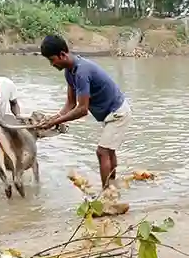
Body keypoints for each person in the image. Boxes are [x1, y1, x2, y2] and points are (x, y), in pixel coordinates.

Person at [34, 34, 132, 190]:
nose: (52, 64)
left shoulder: (81, 72)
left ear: (62, 54)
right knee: (109, 151)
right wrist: (52, 118)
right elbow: (70, 104)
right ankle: (113, 186)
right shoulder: (69, 72)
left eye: (52, 59)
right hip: (110, 113)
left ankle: (107, 194)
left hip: (118, 112)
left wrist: (55, 122)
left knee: (102, 152)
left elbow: (82, 110)